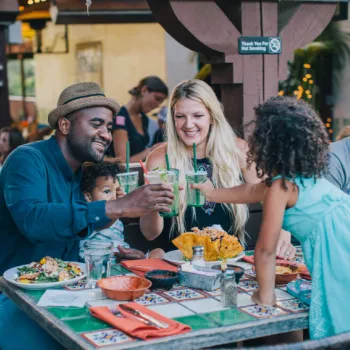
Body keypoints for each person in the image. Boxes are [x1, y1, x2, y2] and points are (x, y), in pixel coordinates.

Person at [0, 82, 174, 350]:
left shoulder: (83, 173)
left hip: (68, 294)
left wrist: (113, 252)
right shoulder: (26, 159)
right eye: (96, 124)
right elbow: (34, 220)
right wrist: (118, 207)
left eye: (107, 127)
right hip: (16, 298)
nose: (106, 134)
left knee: (145, 332)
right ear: (65, 126)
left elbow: (76, 229)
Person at [194, 96, 350, 340]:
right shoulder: (297, 178)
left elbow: (266, 250)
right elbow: (249, 191)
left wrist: (264, 296)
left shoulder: (282, 186)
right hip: (342, 241)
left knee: (339, 323)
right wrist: (210, 192)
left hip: (338, 256)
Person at [140, 79, 295, 259]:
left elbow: (273, 195)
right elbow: (149, 233)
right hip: (176, 262)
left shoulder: (238, 150)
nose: (188, 124)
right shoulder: (160, 158)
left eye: (198, 116)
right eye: (180, 116)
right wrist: (154, 203)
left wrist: (282, 238)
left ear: (212, 116)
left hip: (228, 260)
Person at [79, 159, 164, 261]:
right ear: (88, 196)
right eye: (107, 191)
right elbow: (102, 223)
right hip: (96, 261)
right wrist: (121, 207)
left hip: (120, 256)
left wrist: (135, 254)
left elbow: (120, 246)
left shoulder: (116, 219)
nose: (114, 197)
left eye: (117, 190)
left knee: (159, 252)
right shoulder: (89, 216)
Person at [108, 76, 168, 162]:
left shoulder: (144, 118)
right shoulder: (120, 118)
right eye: (157, 99)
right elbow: (123, 162)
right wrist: (152, 150)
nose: (158, 105)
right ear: (144, 91)